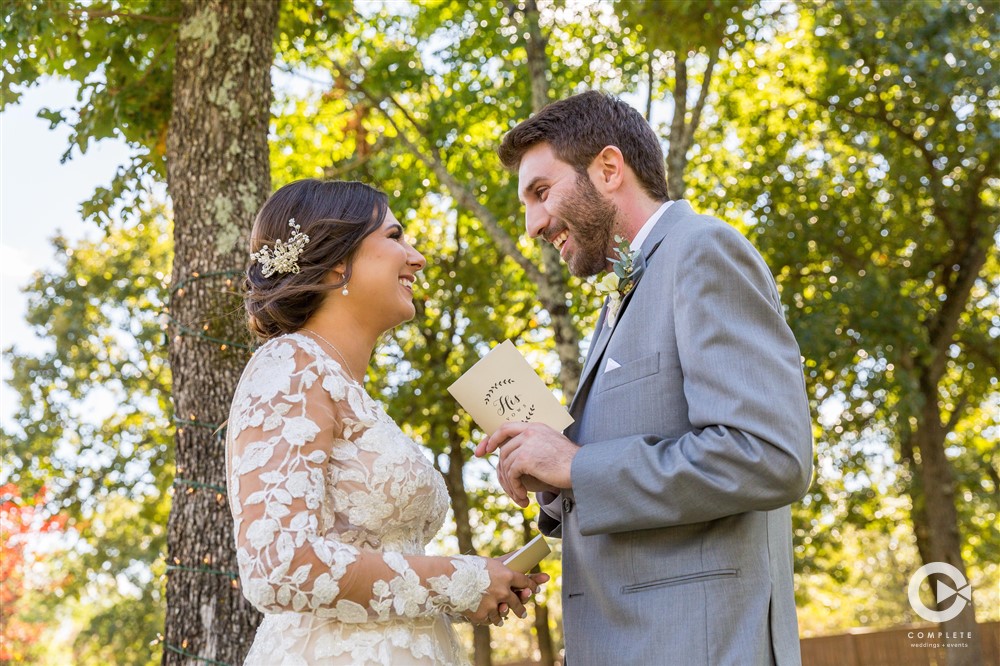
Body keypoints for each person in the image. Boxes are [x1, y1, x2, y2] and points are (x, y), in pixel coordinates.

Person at [475, 91, 813, 665]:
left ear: (609, 169)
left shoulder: (701, 250)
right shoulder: (622, 293)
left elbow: (770, 456)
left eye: (540, 192)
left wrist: (576, 463)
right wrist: (554, 474)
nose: (533, 224)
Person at [226, 179, 547, 665]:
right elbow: (277, 565)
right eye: (395, 237)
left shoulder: (351, 393)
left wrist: (485, 580)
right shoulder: (291, 367)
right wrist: (459, 579)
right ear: (337, 260)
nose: (416, 258)